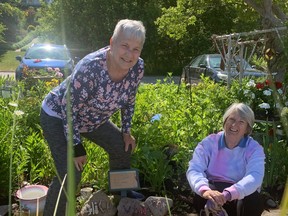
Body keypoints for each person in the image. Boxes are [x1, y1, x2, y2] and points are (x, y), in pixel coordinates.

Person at [40, 19, 146, 215]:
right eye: (125, 46)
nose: (130, 54)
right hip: (58, 115)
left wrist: (126, 131)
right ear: (112, 42)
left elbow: (129, 99)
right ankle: (54, 212)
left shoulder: (137, 68)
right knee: (70, 172)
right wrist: (76, 146)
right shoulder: (90, 67)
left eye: (136, 49)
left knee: (122, 147)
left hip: (93, 118)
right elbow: (68, 108)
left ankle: (120, 196)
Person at [186, 103, 265, 216]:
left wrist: (229, 194)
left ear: (247, 128)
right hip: (214, 190)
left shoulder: (254, 149)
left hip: (239, 193)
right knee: (200, 196)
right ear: (225, 121)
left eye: (241, 122)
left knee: (254, 200)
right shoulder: (209, 143)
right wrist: (205, 190)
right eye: (231, 119)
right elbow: (194, 169)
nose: (234, 125)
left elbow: (255, 176)